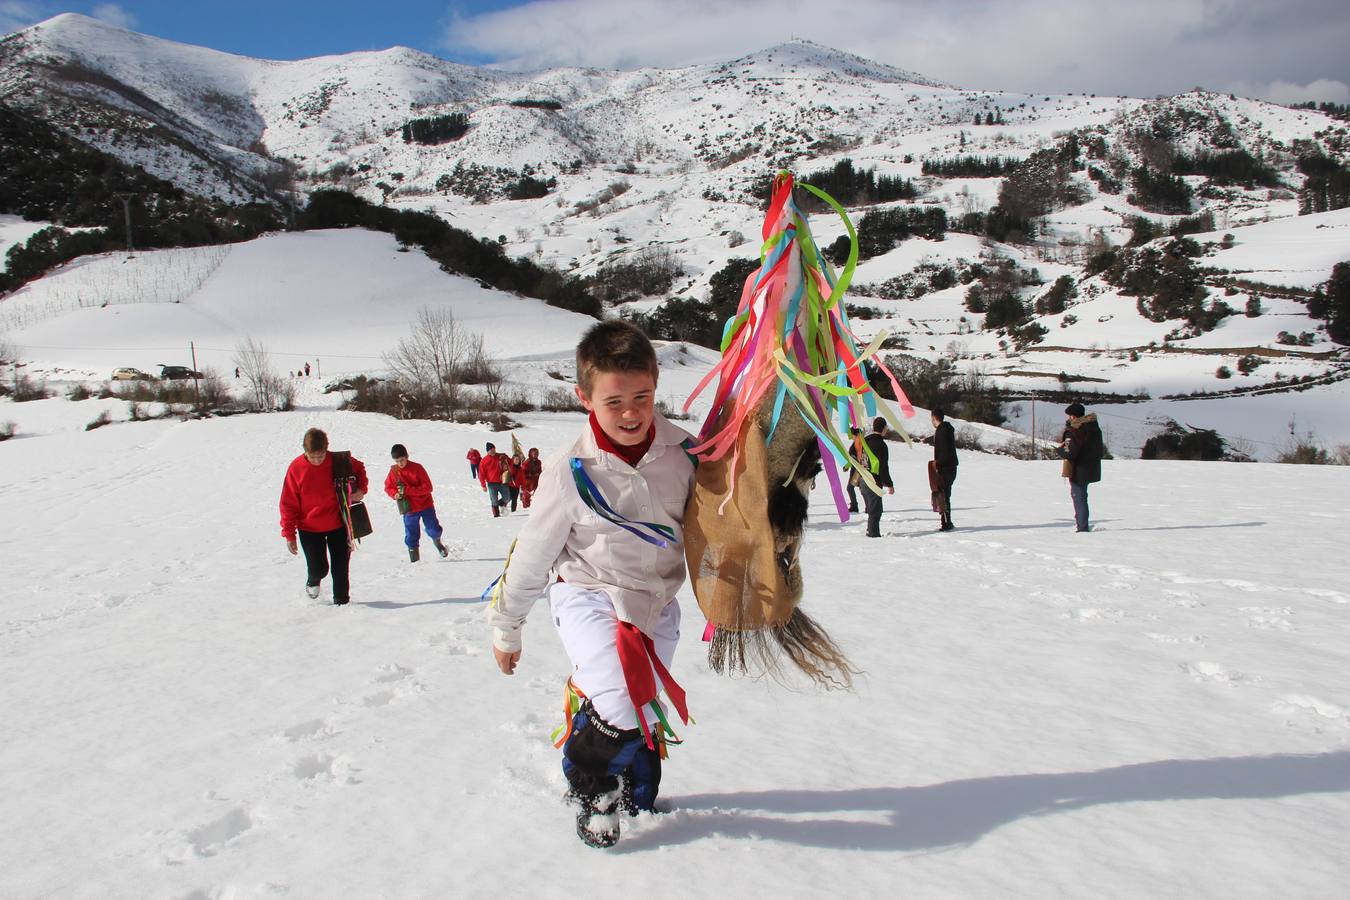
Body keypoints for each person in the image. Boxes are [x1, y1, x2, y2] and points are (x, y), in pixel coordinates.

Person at [486, 320, 696, 848]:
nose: (631, 412)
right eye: (614, 401)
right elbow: (534, 553)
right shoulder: (567, 470)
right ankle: (589, 779)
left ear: (655, 384)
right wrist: (508, 625)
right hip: (587, 593)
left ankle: (630, 777)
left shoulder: (687, 454)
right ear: (585, 398)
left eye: (642, 396)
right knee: (622, 699)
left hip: (656, 602)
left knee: (640, 704)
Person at [279, 427, 367, 605]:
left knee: (340, 566)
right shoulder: (296, 468)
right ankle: (313, 580)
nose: (318, 460)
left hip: (339, 524)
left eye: (321, 455)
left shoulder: (339, 460)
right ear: (305, 451)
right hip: (309, 528)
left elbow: (359, 469)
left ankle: (342, 602)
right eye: (313, 456)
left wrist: (361, 490)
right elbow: (288, 503)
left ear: (327, 449)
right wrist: (289, 534)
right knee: (319, 568)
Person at [384, 443, 448, 562]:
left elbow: (428, 487)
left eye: (402, 460)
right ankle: (415, 562)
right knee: (411, 534)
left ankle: (438, 544)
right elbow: (388, 487)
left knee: (434, 529)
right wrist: (395, 494)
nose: (400, 463)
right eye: (397, 461)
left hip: (425, 505)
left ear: (407, 456)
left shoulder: (417, 468)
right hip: (408, 508)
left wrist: (407, 490)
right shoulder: (393, 471)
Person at [1058, 402, 1104, 532]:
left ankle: (1082, 527)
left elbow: (1070, 452)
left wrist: (1059, 451)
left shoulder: (1074, 431)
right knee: (1082, 496)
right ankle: (1082, 524)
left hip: (1079, 469)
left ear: (1073, 416)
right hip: (1092, 467)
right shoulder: (1094, 428)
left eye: (1069, 416)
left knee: (1079, 497)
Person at [857, 416, 894, 538]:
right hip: (873, 481)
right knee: (876, 511)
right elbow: (883, 467)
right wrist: (889, 484)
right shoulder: (881, 445)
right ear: (884, 429)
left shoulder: (865, 441)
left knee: (872, 509)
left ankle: (870, 530)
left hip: (862, 479)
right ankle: (873, 534)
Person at [931, 408, 959, 531]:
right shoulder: (947, 429)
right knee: (945, 495)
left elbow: (944, 452)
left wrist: (937, 463)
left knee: (943, 496)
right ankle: (947, 522)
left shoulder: (941, 432)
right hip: (951, 467)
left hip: (945, 468)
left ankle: (946, 523)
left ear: (934, 418)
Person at [478, 442, 512, 517]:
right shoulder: (484, 461)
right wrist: (483, 485)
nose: (493, 451)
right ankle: (496, 515)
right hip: (491, 484)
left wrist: (516, 458)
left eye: (494, 449)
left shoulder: (501, 456)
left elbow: (511, 461)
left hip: (502, 482)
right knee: (494, 500)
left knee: (507, 498)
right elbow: (481, 474)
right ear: (488, 451)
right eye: (491, 450)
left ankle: (501, 504)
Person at [843, 427, 865, 513]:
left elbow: (853, 457)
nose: (851, 436)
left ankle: (854, 506)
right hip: (857, 469)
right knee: (861, 489)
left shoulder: (858, 442)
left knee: (850, 488)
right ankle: (864, 506)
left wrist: (847, 466)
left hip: (857, 470)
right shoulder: (860, 441)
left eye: (851, 434)